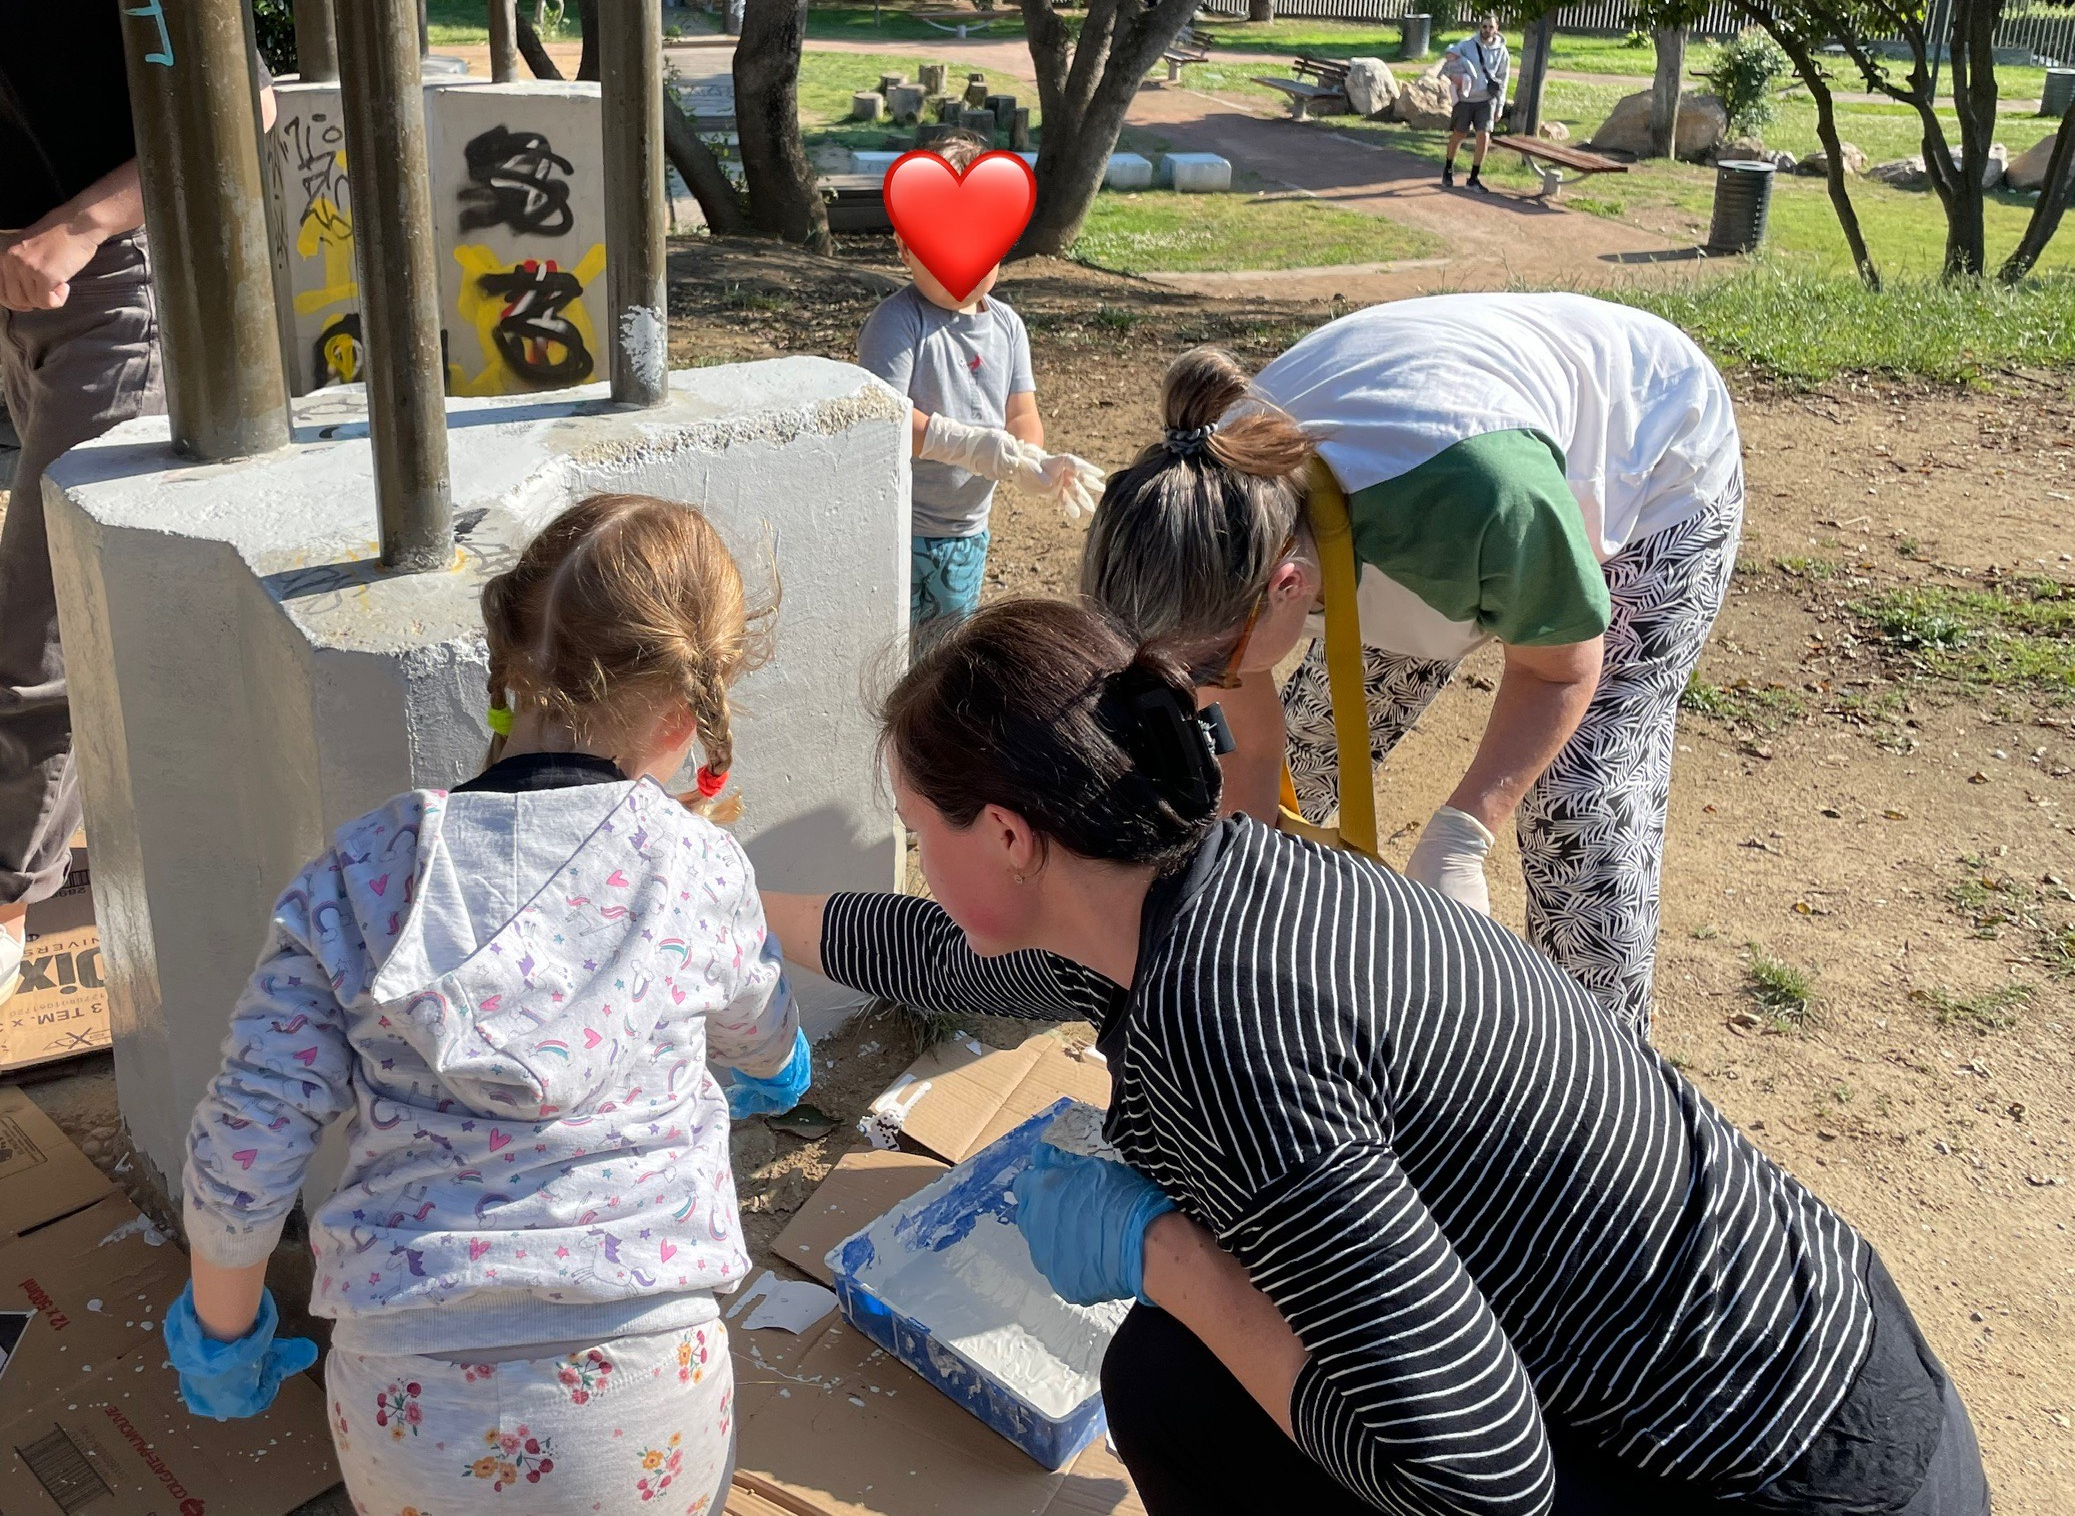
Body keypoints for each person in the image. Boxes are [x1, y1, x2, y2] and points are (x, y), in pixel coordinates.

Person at [761, 597, 1990, 1516]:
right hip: (1833, 1361)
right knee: (1199, 1362)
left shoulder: (1226, 1038)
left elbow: (1478, 1481)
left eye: (917, 828)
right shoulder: (1199, 877)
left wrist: (1161, 1252)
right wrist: (734, 905)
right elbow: (950, 956)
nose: (913, 853)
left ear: (1009, 835)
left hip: (1792, 1480)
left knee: (1173, 1383)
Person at [166, 495, 811, 1513]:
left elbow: (249, 1139)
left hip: (408, 1402)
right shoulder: (697, 868)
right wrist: (780, 1063)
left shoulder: (359, 873)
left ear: (505, 667)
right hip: (645, 1388)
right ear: (686, 716)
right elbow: (759, 1026)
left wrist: (224, 1330)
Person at [1082, 293, 1743, 1031]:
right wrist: (1226, 907)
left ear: (1287, 585)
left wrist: (1465, 829)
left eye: (1216, 673)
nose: (1206, 693)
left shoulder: (1481, 503)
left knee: (1579, 799)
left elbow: (1559, 668)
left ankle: (1603, 1062)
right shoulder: (1208, 484)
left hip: (1649, 447)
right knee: (1311, 747)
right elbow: (1255, 747)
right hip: (1421, 492)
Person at [0, 0, 164, 1004]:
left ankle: (7, 908)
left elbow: (239, 102)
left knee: (42, 622)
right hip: (23, 292)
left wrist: (75, 228)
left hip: (111, 281)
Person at [857, 131, 1103, 633]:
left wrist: (1030, 460)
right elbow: (884, 421)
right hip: (903, 529)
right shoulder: (898, 323)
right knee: (897, 654)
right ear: (905, 248)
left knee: (949, 647)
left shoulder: (1008, 327)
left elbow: (1022, 413)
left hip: (970, 530)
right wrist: (970, 446)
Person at [1441, 11, 1509, 191]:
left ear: (1496, 28)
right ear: (1480, 27)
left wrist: (1500, 106)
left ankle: (1473, 178)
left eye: (1491, 27)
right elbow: (1448, 62)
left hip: (1487, 100)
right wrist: (1454, 77)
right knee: (1459, 135)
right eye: (1484, 26)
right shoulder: (1466, 45)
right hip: (1465, 99)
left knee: (1483, 136)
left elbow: (1503, 79)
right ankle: (1448, 168)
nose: (1487, 30)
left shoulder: (1502, 51)